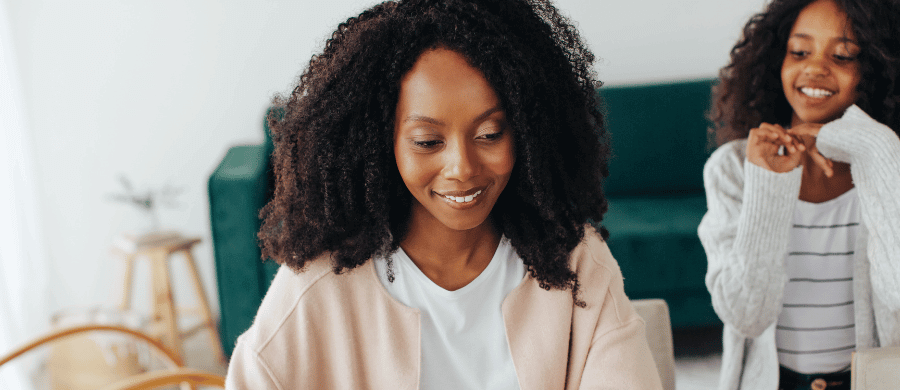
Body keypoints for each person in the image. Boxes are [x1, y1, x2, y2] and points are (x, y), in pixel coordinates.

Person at [224, 0, 662, 388]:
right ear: (382, 142)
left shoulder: (576, 262)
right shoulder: (320, 285)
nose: (463, 168)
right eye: (428, 142)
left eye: (490, 133)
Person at [699, 0, 900, 388]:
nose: (815, 68)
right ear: (777, 59)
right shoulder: (733, 168)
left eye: (842, 55)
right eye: (799, 52)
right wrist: (768, 187)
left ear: (876, 69)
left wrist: (877, 149)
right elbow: (746, 314)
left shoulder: (889, 163)